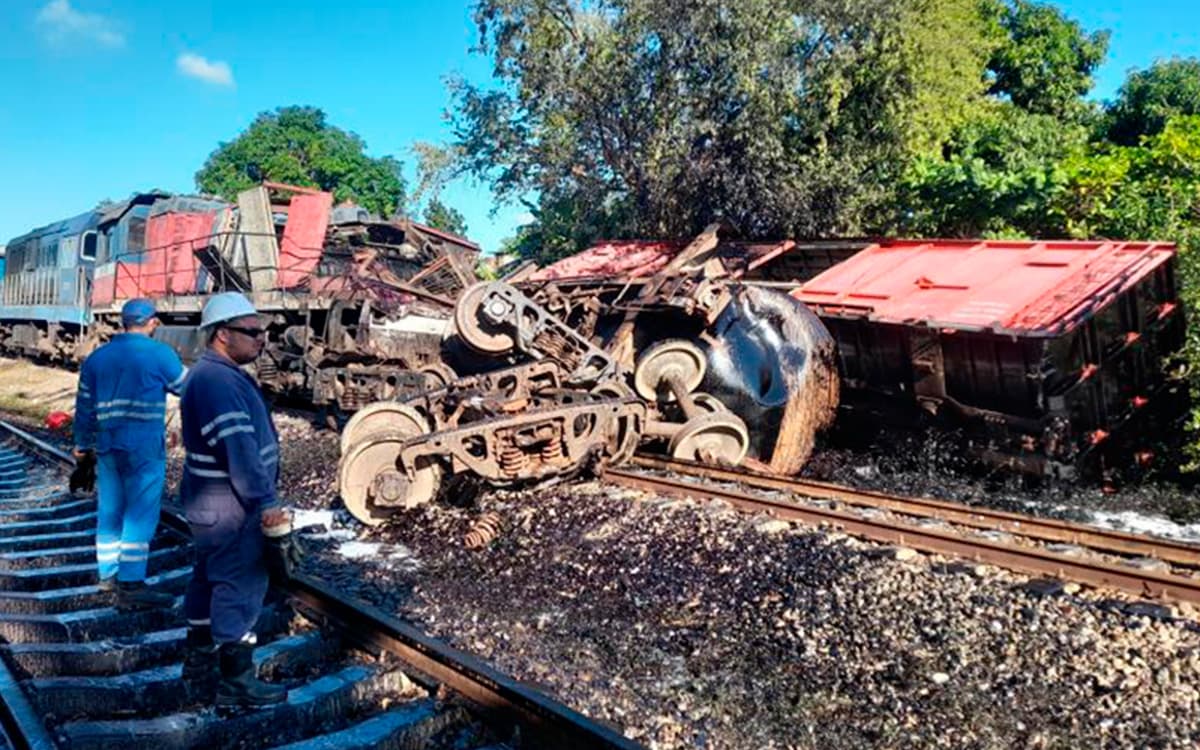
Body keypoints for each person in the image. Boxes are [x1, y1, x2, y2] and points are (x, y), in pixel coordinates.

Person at [178, 292, 303, 708]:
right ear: (221, 335)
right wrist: (267, 502)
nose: (261, 339)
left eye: (262, 331)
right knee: (241, 584)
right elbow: (239, 448)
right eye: (251, 332)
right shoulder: (218, 381)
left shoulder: (216, 374)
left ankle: (198, 662)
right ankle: (236, 681)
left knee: (208, 576)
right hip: (231, 505)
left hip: (210, 501)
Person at [73, 298, 186, 610]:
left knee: (110, 510)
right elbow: (186, 388)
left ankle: (107, 576)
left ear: (123, 322)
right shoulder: (160, 354)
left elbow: (83, 408)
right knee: (140, 513)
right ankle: (132, 585)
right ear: (151, 322)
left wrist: (81, 445)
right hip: (144, 446)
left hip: (108, 445)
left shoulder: (97, 359)